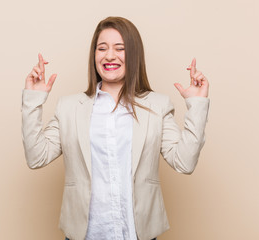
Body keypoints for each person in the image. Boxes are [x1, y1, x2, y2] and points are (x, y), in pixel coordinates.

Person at [21, 16, 209, 240]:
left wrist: (196, 105)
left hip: (137, 234)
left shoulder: (157, 105)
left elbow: (184, 163)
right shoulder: (69, 108)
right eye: (102, 48)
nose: (110, 55)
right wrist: (33, 99)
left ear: (134, 55)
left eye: (120, 48)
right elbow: (36, 157)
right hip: (83, 235)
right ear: (94, 56)